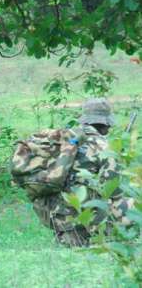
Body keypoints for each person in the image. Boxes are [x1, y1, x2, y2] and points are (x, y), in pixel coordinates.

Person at [32, 98, 133, 246]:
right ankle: (110, 237)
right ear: (106, 124)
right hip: (87, 217)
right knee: (130, 202)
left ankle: (69, 237)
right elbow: (113, 191)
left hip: (57, 217)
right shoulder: (104, 147)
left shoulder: (64, 139)